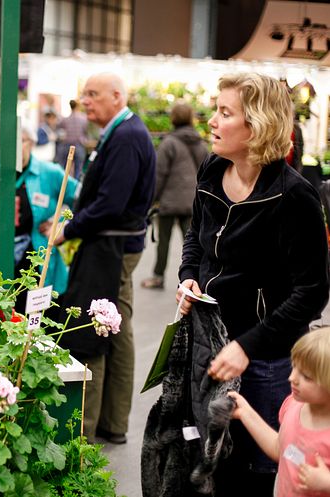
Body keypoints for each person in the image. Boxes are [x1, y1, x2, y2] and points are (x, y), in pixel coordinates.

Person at [178, 73, 329, 496]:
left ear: (257, 125)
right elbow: (197, 234)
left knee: (260, 469)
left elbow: (312, 292)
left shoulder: (293, 197)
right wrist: (188, 276)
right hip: (210, 339)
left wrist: (247, 346)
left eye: (225, 113)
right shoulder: (212, 168)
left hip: (266, 360)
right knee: (211, 458)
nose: (211, 121)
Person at [47, 72, 156, 443]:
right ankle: (112, 422)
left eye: (93, 94)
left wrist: (69, 230)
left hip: (115, 249)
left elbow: (111, 203)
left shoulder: (126, 136)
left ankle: (106, 424)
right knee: (117, 325)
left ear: (116, 96)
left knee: (108, 327)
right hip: (113, 245)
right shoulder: (122, 132)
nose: (86, 101)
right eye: (84, 94)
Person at [227, 326, 330, 496]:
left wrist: (326, 483)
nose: (292, 378)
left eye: (306, 376)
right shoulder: (293, 405)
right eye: (294, 367)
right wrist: (245, 412)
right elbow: (282, 449)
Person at [141, 102, 208, 289]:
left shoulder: (169, 143)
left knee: (164, 242)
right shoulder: (200, 143)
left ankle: (158, 276)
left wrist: (153, 198)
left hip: (169, 202)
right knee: (193, 243)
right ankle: (196, 279)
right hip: (192, 202)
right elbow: (207, 174)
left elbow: (159, 174)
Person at [14, 125, 79, 312]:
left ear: (32, 143)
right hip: (3, 261)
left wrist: (62, 225)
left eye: (22, 141)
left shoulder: (49, 172)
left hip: (38, 260)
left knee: (38, 322)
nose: (16, 147)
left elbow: (83, 200)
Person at [55, 99, 89, 178]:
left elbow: (58, 128)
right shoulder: (83, 119)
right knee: (79, 169)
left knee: (63, 169)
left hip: (66, 145)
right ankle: (75, 188)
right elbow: (86, 131)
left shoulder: (65, 119)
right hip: (79, 145)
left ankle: (63, 186)